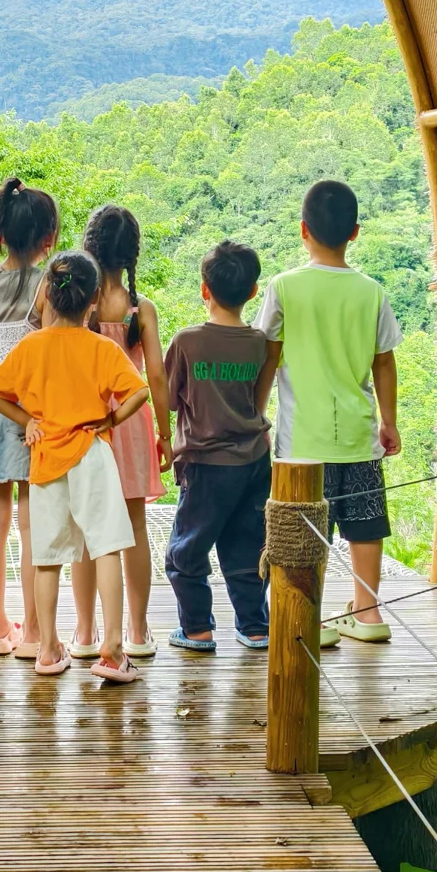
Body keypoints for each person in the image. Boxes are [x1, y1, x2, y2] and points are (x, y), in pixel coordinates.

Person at [0, 250, 150, 684]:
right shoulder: (101, 347)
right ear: (93, 299)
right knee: (107, 546)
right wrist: (111, 420)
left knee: (49, 557)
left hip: (46, 459)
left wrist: (29, 420)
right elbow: (139, 392)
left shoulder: (30, 346)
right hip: (92, 453)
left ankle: (48, 648)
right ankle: (112, 649)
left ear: (46, 296)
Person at [256, 180, 402, 645]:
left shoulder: (284, 287)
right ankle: (369, 614)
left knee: (303, 533)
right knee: (365, 525)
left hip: (302, 442)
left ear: (303, 230)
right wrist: (388, 422)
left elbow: (268, 357)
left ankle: (307, 616)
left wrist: (258, 415)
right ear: (354, 232)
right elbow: (384, 362)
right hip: (359, 435)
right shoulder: (371, 292)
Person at [70, 205, 172, 661]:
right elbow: (157, 377)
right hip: (131, 422)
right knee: (135, 527)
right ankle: (138, 630)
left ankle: (84, 633)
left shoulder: (81, 305)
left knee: (84, 528)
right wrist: (165, 435)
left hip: (88, 421)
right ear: (132, 253)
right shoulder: (140, 308)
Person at [0, 177, 59, 659]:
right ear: (48, 238)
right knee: (30, 522)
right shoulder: (46, 284)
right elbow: (50, 347)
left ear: (0, 234)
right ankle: (35, 632)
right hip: (27, 410)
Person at [164, 241, 272, 653]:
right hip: (254, 460)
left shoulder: (187, 342)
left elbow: (169, 399)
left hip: (205, 464)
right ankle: (255, 627)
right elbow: (257, 396)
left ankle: (197, 630)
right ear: (253, 291)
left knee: (187, 550)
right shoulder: (259, 342)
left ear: (204, 289)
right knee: (247, 547)